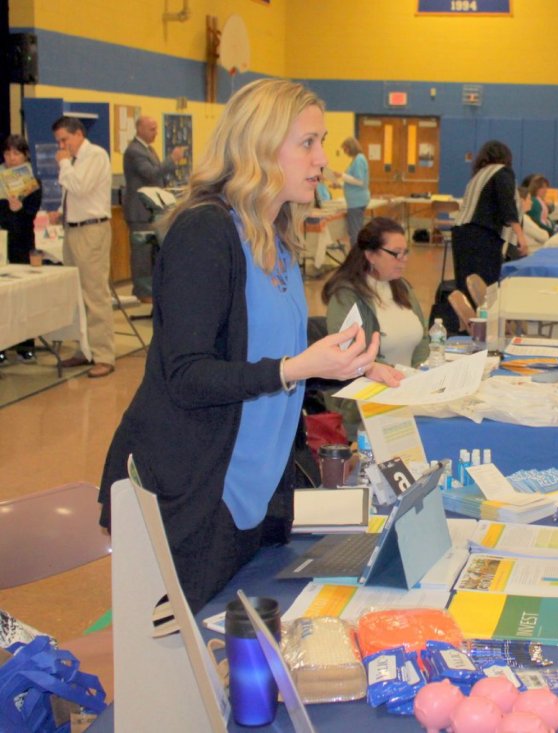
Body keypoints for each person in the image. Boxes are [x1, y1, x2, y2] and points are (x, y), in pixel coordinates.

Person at [98, 79, 403, 613]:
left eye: (323, 142)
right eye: (307, 143)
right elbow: (188, 376)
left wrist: (347, 364)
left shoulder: (275, 233)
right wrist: (295, 367)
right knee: (190, 670)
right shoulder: (206, 233)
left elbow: (272, 350)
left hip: (257, 490)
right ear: (260, 146)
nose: (322, 159)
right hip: (195, 493)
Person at [321, 216, 428, 437]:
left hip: (408, 398)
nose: (404, 259)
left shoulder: (402, 288)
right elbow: (347, 356)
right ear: (370, 255)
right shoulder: (346, 296)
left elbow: (423, 340)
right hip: (368, 410)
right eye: (396, 253)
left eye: (406, 252)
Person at [51, 116, 116, 378]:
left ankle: (104, 355)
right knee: (76, 295)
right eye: (58, 142)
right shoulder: (75, 161)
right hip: (72, 228)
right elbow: (72, 195)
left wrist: (64, 163)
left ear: (79, 134)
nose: (62, 146)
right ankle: (84, 349)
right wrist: (59, 211)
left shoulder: (95, 155)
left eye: (65, 140)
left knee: (94, 294)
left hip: (92, 230)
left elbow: (80, 186)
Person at [122, 115, 185, 301]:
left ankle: (153, 290)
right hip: (140, 211)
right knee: (142, 254)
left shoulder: (148, 149)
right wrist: (172, 159)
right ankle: (142, 292)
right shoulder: (134, 151)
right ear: (139, 129)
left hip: (153, 209)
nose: (156, 132)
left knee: (153, 254)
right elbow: (151, 174)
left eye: (156, 128)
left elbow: (159, 177)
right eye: (152, 129)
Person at [451, 140, 527, 291]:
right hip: (482, 235)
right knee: (485, 286)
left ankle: (466, 313)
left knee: (466, 285)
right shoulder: (502, 172)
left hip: (460, 234)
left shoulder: (479, 174)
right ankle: (484, 314)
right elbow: (507, 205)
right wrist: (520, 236)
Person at [0, 135, 43, 364]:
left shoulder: (32, 182)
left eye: (16, 153)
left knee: (24, 296)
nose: (11, 158)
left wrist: (18, 208)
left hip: (23, 242)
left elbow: (30, 216)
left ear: (25, 155)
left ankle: (27, 345)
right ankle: (2, 347)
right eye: (7, 153)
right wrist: (7, 207)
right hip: (2, 243)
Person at [338, 137, 370, 247]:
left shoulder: (359, 160)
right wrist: (340, 184)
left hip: (356, 202)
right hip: (356, 200)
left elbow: (359, 181)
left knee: (355, 232)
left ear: (350, 148)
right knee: (356, 230)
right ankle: (358, 257)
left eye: (345, 149)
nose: (345, 152)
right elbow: (353, 181)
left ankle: (356, 259)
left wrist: (342, 176)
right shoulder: (356, 159)